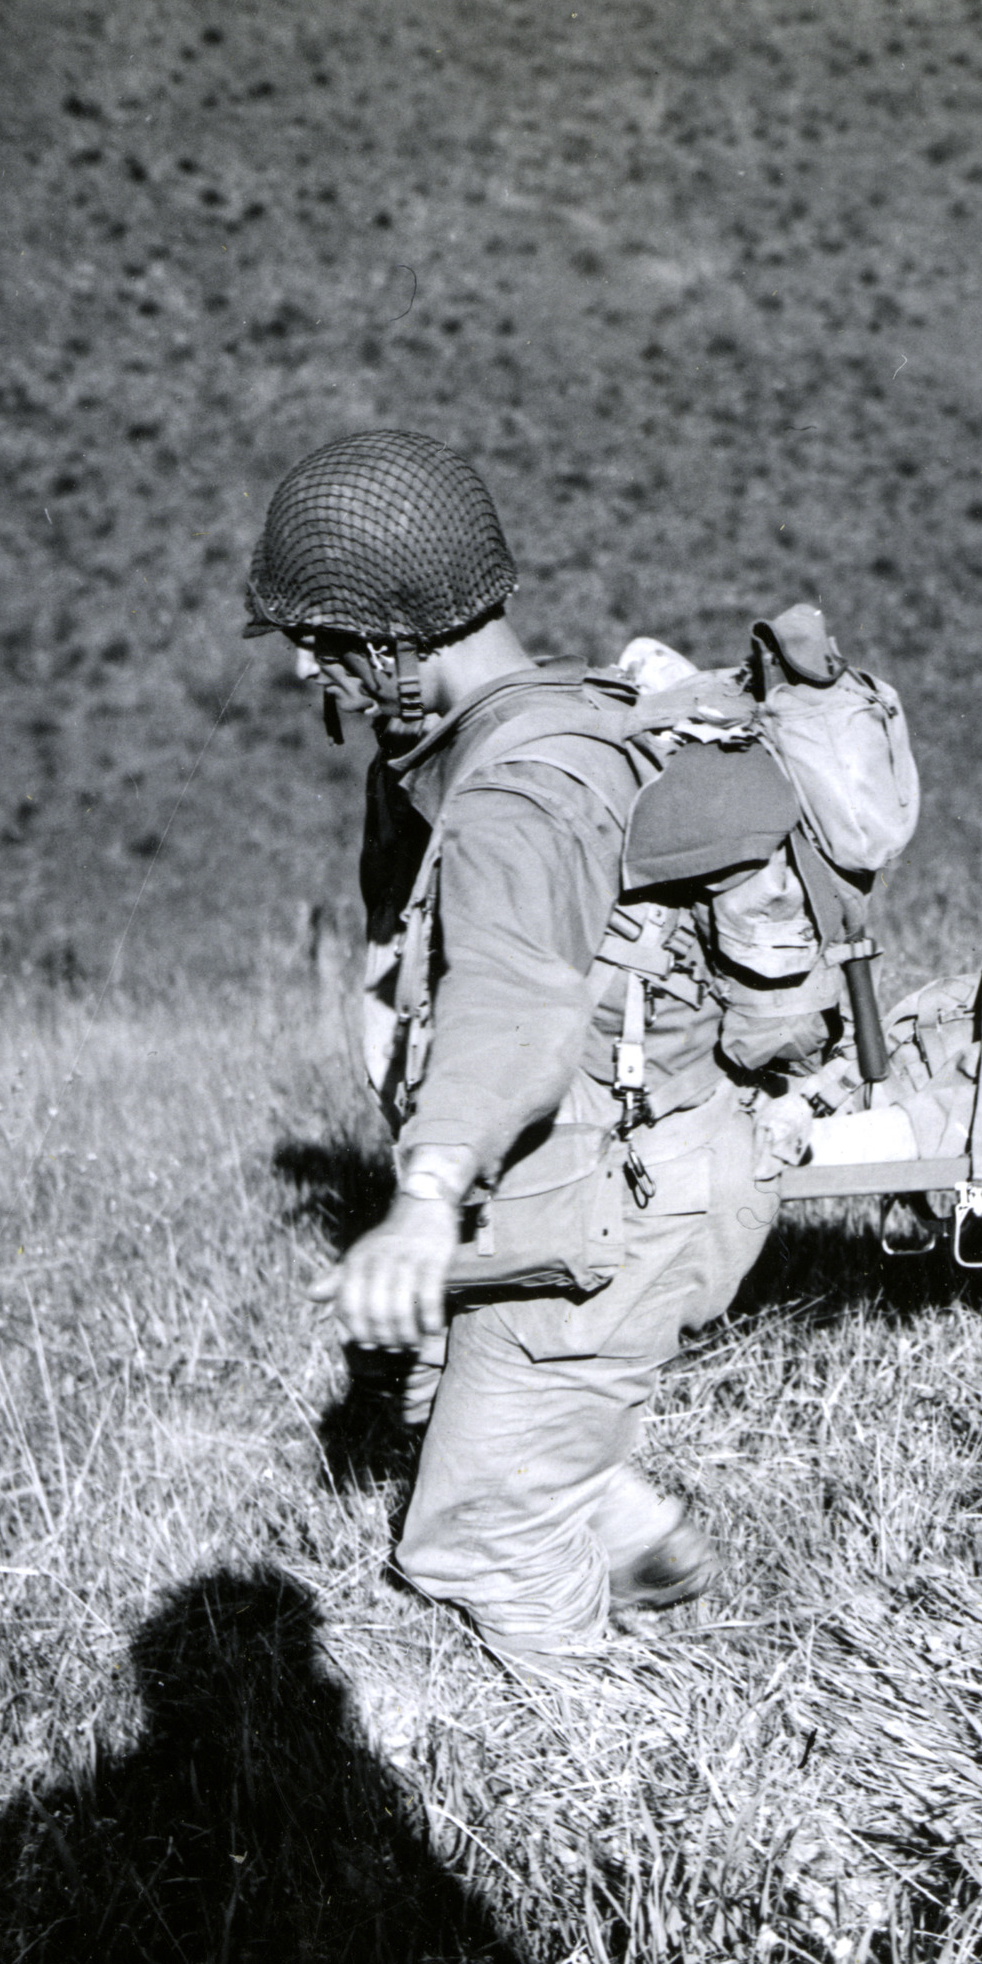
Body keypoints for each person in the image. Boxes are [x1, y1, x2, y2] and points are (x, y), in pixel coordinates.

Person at [243, 429, 793, 1662]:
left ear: (396, 638)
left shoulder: (512, 795)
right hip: (617, 1164)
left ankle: (615, 1775)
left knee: (469, 1535)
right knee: (449, 1400)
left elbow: (514, 994)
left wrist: (428, 1197)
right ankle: (621, 1525)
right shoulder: (516, 717)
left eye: (325, 643)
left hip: (628, 1202)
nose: (301, 671)